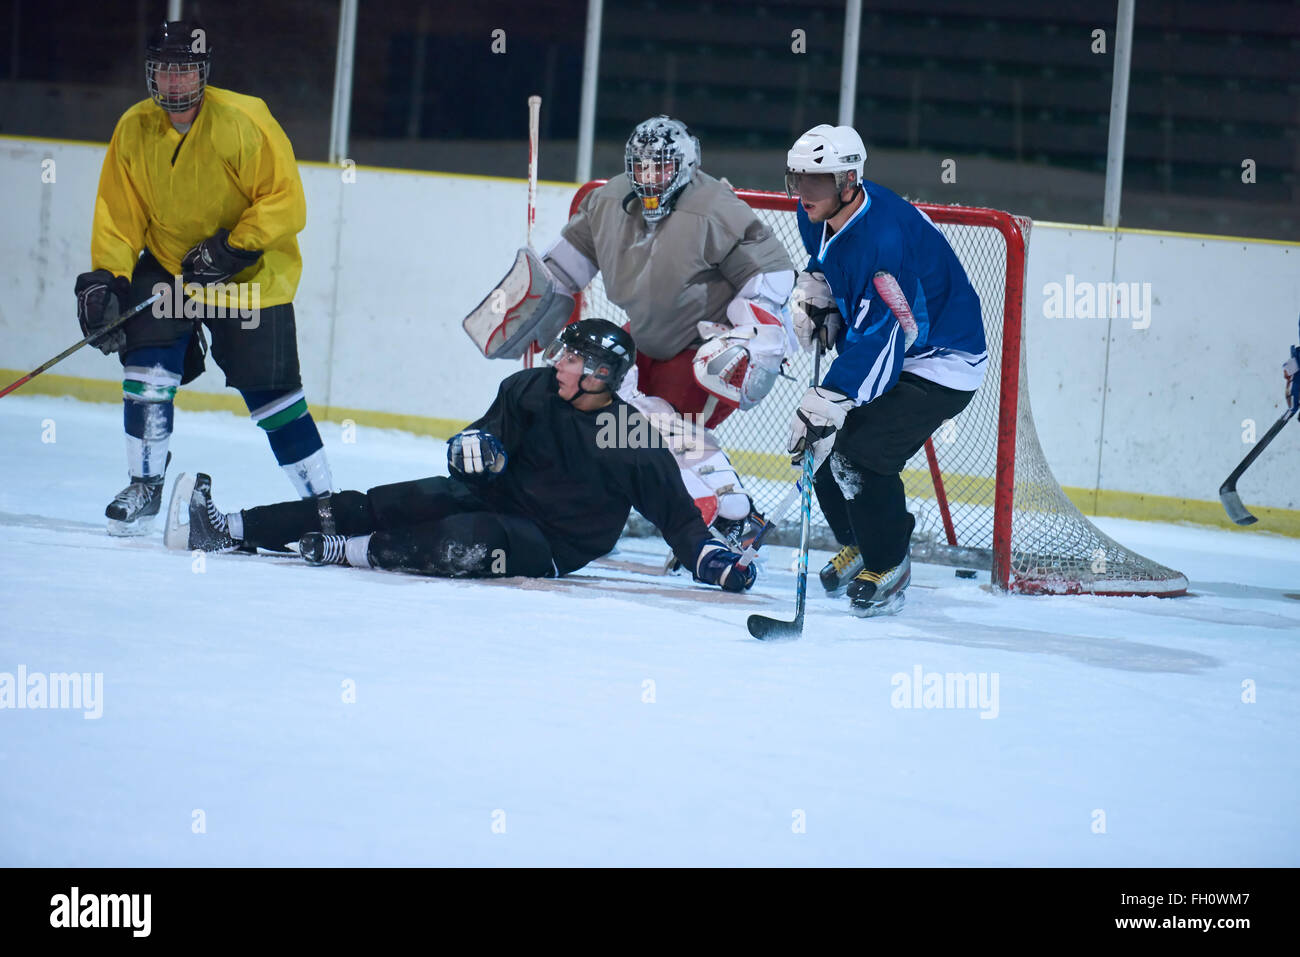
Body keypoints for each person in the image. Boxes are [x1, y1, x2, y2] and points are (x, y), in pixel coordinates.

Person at [181, 319, 758, 593]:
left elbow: (679, 521)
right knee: (387, 500)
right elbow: (479, 441)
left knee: (468, 532)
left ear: (602, 373)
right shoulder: (529, 390)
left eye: (571, 358)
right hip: (496, 495)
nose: (557, 363)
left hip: (553, 544)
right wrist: (471, 450)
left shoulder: (629, 435)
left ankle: (342, 552)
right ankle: (229, 527)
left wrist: (716, 563)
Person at [74, 18, 331, 536]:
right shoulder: (133, 127)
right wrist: (108, 277)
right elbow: (119, 215)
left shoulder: (244, 119)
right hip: (171, 270)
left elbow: (286, 200)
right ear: (151, 75)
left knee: (274, 396)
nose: (174, 83)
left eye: (184, 72)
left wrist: (234, 246)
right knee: (146, 373)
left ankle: (326, 505)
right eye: (164, 72)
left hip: (251, 275)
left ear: (203, 73)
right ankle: (145, 485)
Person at [538, 116, 798, 547]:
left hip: (701, 350)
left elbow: (770, 277)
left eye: (659, 167)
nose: (649, 179)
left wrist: (755, 342)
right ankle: (720, 512)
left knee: (651, 427)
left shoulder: (715, 207)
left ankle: (730, 514)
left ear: (685, 165)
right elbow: (564, 267)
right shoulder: (609, 200)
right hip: (643, 337)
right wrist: (538, 308)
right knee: (602, 412)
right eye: (640, 168)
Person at [782, 125, 987, 617]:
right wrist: (820, 290)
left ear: (849, 180)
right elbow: (830, 261)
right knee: (824, 450)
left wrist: (832, 398)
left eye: (817, 181)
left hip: (943, 360)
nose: (803, 193)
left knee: (859, 453)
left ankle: (891, 561)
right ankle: (862, 541)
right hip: (901, 343)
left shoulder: (886, 242)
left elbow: (886, 339)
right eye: (797, 179)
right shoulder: (818, 212)